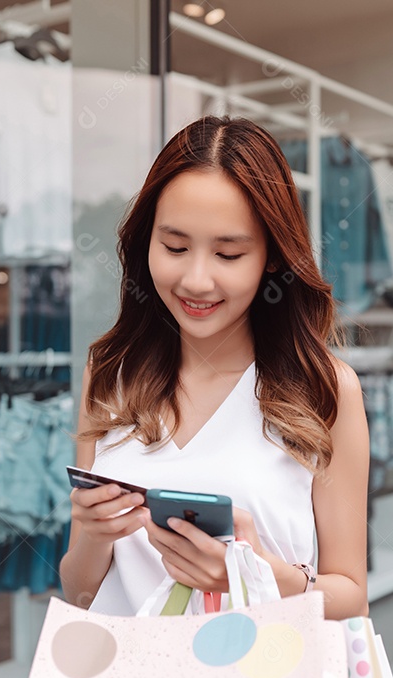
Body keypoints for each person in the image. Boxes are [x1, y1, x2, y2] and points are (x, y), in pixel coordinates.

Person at [59, 116, 370, 620]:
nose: (196, 280)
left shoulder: (324, 389)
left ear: (272, 256)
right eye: (175, 247)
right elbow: (81, 591)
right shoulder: (110, 371)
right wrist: (93, 536)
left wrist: (257, 577)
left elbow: (352, 597)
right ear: (146, 243)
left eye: (228, 253)